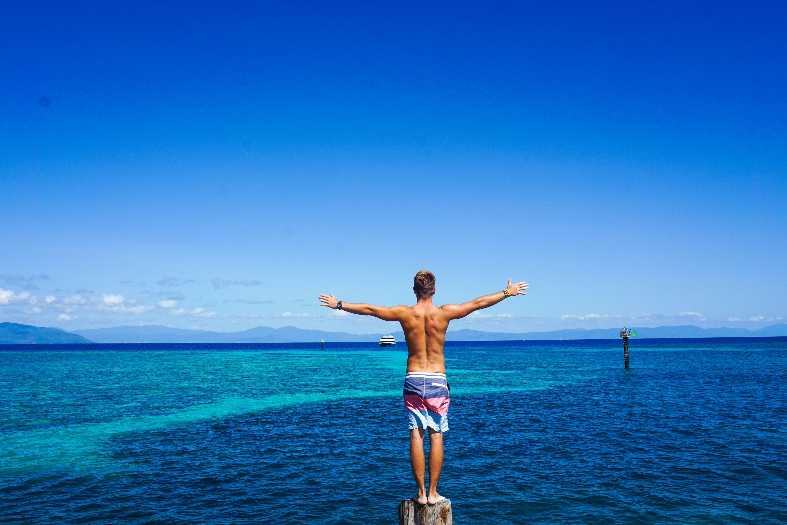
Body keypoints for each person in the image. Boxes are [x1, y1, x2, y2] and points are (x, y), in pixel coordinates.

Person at [319, 270, 528, 505]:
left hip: (414, 378)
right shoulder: (445, 313)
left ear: (414, 290)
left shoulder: (405, 314)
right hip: (437, 378)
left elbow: (371, 310)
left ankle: (420, 494)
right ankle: (433, 492)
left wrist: (338, 304)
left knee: (416, 435)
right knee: (436, 435)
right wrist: (507, 293)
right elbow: (479, 303)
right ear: (435, 290)